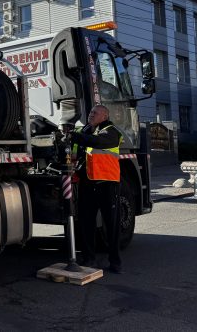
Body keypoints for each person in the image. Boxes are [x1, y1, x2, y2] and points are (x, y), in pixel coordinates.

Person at [68, 104, 123, 274]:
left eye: (95, 113)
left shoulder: (111, 131)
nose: (91, 114)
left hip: (107, 183)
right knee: (86, 222)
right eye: (90, 112)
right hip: (88, 183)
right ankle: (89, 259)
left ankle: (115, 263)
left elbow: (97, 142)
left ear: (104, 116)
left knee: (111, 224)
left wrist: (74, 136)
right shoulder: (84, 131)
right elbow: (76, 153)